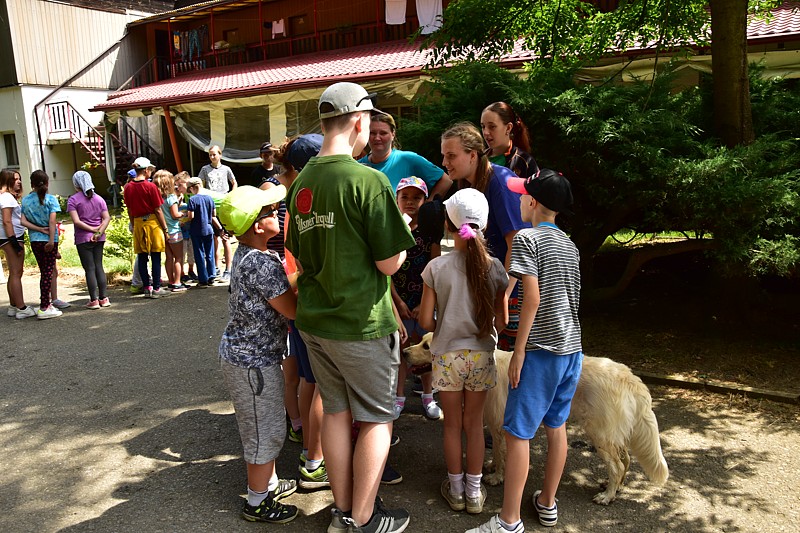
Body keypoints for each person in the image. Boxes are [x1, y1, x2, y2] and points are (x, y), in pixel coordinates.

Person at [285, 81, 414, 533]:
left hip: (315, 322)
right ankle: (363, 518)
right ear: (359, 121)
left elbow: (297, 254)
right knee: (378, 418)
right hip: (361, 322)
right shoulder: (369, 180)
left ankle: (343, 511)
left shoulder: (301, 181)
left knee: (336, 414)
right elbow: (389, 261)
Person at [466, 170, 582, 533]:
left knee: (517, 434)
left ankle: (509, 520)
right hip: (571, 349)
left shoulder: (529, 239)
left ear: (532, 201)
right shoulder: (570, 244)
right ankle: (547, 502)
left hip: (541, 350)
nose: (516, 199)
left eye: (521, 194)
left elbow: (530, 298)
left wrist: (518, 351)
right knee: (556, 426)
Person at [418, 188, 509, 517]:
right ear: (483, 224)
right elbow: (503, 319)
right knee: (474, 426)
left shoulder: (436, 268)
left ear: (448, 224)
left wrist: (446, 318)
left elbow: (426, 319)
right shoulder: (495, 267)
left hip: (447, 358)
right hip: (482, 356)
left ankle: (455, 490)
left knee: (452, 426)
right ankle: (474, 492)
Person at [216, 184, 299, 524]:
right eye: (269, 212)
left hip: (247, 357)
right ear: (255, 225)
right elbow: (291, 309)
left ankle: (268, 484)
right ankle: (257, 502)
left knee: (262, 425)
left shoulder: (251, 255)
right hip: (254, 363)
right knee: (265, 431)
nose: (277, 213)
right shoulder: (261, 264)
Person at [441, 122, 531, 352]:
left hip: (512, 292)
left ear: (472, 155)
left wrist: (507, 296)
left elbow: (517, 244)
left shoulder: (499, 182)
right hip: (491, 288)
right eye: (444, 156)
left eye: (451, 156)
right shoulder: (466, 186)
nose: (444, 163)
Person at [390, 177, 442, 420]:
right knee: (401, 351)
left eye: (416, 197)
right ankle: (399, 396)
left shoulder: (429, 233)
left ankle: (428, 395)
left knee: (425, 350)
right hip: (399, 304)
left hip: (424, 303)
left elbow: (435, 268)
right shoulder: (392, 230)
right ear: (397, 200)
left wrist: (424, 303)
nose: (410, 202)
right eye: (405, 197)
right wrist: (399, 303)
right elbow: (386, 272)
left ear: (425, 200)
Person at [358, 112, 452, 198]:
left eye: (383, 133)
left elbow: (446, 181)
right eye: (372, 133)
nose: (377, 138)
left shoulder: (408, 159)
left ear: (393, 134)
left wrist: (429, 205)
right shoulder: (358, 166)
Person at [19, 170, 62, 319]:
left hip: (35, 239)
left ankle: (46, 303)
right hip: (50, 239)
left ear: (31, 184)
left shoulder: (25, 201)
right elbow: (52, 221)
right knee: (48, 273)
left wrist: (38, 229)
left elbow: (22, 221)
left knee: (44, 271)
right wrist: (51, 239)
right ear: (47, 183)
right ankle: (45, 306)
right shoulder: (51, 200)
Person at [124, 157, 169, 299]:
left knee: (142, 256)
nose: (151, 172)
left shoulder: (128, 187)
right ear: (145, 170)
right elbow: (158, 209)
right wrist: (165, 228)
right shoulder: (151, 187)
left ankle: (146, 287)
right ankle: (156, 288)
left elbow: (129, 209)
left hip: (138, 223)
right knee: (156, 255)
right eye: (150, 169)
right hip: (152, 223)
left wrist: (133, 223)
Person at [67, 171, 111, 309]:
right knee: (99, 266)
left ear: (76, 184)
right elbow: (107, 218)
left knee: (89, 269)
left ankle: (94, 300)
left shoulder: (73, 200)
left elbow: (76, 221)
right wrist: (99, 231)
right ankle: (104, 298)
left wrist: (92, 230)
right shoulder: (99, 199)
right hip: (99, 238)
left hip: (83, 239)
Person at [0, 168, 35, 319]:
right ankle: (21, 308)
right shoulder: (6, 197)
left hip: (9, 237)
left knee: (13, 273)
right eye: (15, 179)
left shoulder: (5, 196)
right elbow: (7, 221)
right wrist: (14, 242)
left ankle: (13, 306)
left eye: (19, 178)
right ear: (7, 181)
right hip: (11, 238)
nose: (19, 182)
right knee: (16, 273)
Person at [198, 145, 236, 282]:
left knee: (226, 238)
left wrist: (232, 195)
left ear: (220, 155)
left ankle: (229, 269)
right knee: (214, 238)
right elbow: (200, 185)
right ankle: (216, 267)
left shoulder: (226, 169)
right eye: (210, 155)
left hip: (224, 206)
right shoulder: (204, 169)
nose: (212, 157)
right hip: (211, 205)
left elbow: (234, 182)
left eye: (214, 154)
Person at [480, 102, 539, 180]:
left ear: (508, 128)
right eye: (483, 126)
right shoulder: (479, 159)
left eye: (492, 127)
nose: (485, 132)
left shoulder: (525, 162)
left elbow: (536, 190)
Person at [153, 170, 188, 292]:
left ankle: (171, 281)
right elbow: (174, 214)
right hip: (174, 230)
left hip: (163, 231)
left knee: (168, 257)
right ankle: (177, 282)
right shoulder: (171, 197)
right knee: (178, 257)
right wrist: (183, 213)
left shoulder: (157, 197)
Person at [186, 177, 219, 287]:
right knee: (210, 253)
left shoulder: (192, 199)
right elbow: (214, 214)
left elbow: (191, 216)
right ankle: (212, 275)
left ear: (192, 188)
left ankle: (203, 279)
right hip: (209, 229)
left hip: (196, 230)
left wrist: (185, 216)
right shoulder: (209, 198)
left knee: (199, 254)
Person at [174, 172, 197, 284]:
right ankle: (182, 273)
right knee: (182, 253)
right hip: (181, 231)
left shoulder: (192, 195)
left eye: (179, 185)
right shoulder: (177, 198)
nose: (178, 188)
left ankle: (191, 270)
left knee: (191, 252)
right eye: (176, 186)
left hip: (191, 229)